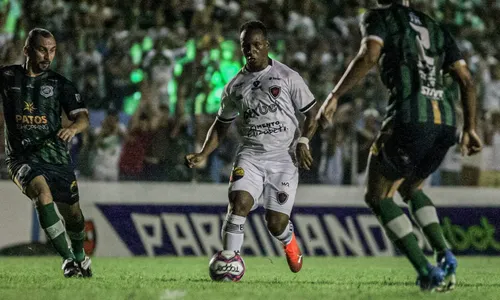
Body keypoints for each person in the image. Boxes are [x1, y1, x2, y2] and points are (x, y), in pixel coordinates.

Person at [317, 0, 482, 291]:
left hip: (410, 118)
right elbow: (466, 81)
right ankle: (445, 254)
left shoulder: (379, 18)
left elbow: (369, 56)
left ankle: (426, 271)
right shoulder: (436, 26)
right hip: (446, 122)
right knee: (411, 188)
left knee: (378, 196)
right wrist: (470, 128)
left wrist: (335, 95)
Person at [185, 20, 319, 273]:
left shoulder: (288, 77)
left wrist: (303, 140)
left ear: (267, 45)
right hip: (251, 156)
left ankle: (289, 242)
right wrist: (203, 152)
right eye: (246, 46)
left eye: (257, 45)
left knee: (276, 223)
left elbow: (312, 114)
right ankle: (229, 259)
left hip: (283, 158)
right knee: (238, 204)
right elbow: (221, 124)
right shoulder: (234, 86)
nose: (251, 50)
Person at [0, 28, 92, 277]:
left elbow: (83, 117)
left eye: (52, 51)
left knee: (73, 215)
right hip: (22, 158)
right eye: (42, 49)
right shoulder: (8, 77)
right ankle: (69, 261)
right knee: (42, 195)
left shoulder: (60, 84)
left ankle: (81, 257)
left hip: (56, 158)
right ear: (27, 50)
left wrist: (73, 128)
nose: (47, 56)